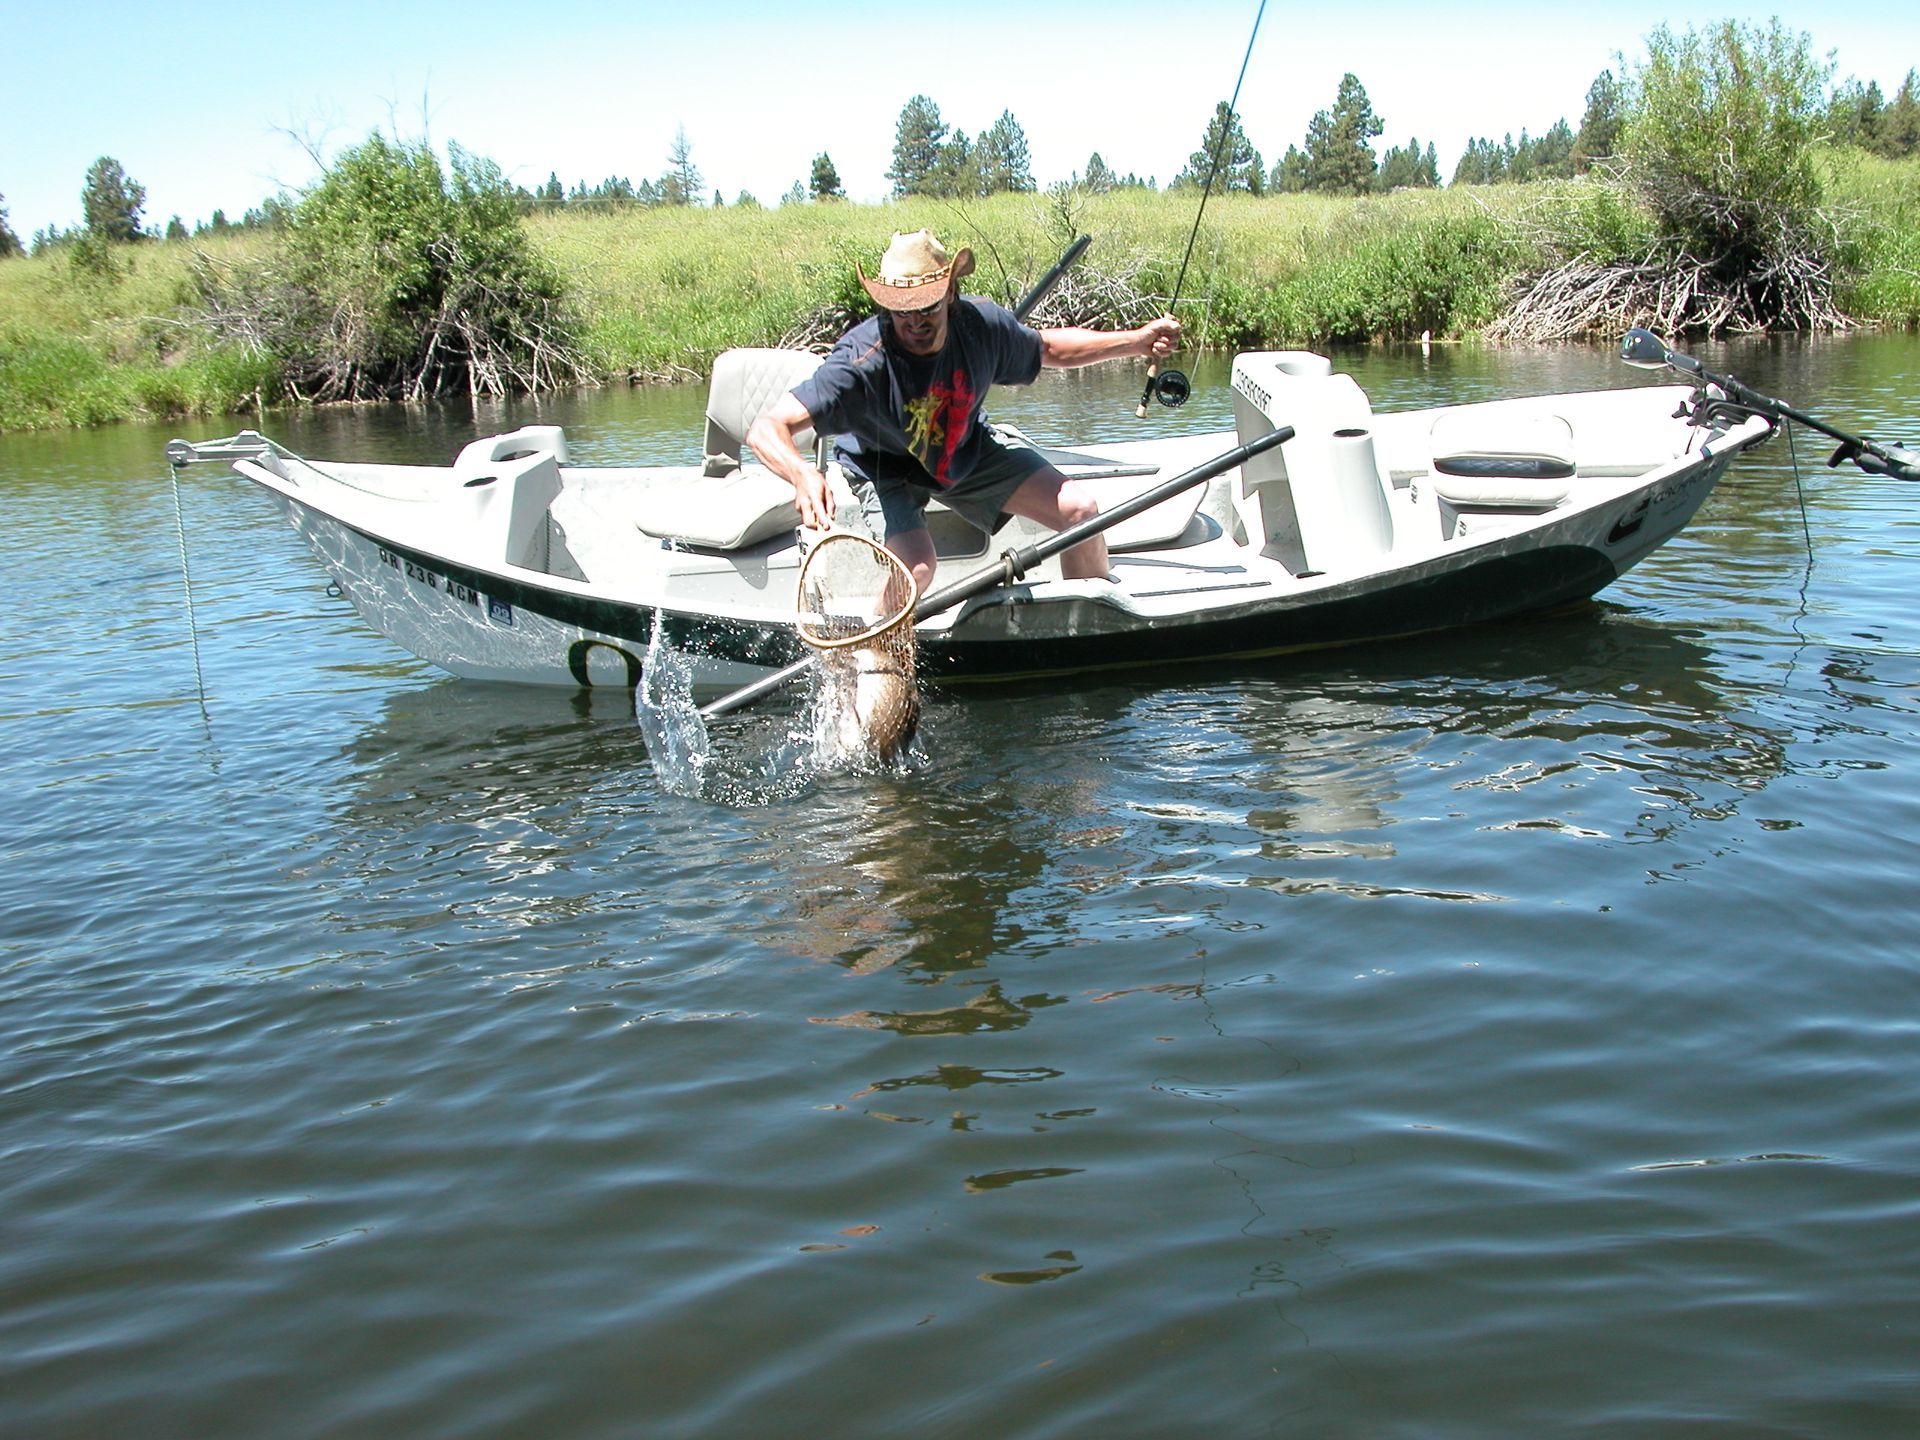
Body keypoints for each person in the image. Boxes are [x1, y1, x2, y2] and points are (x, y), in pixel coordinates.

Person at [747, 229, 1181, 594]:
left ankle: (1088, 636)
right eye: (902, 311)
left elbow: (1048, 349)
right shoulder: (860, 362)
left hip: (963, 447)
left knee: (1081, 512)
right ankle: (878, 656)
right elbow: (767, 428)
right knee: (915, 569)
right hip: (886, 466)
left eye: (927, 307)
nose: (915, 322)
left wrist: (1137, 340)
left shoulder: (981, 326)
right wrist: (802, 473)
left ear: (950, 294)